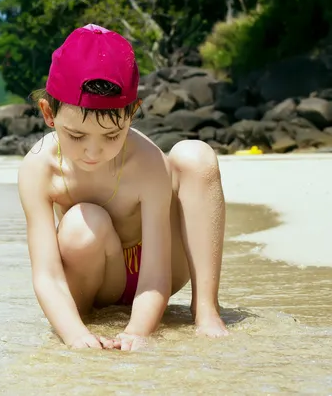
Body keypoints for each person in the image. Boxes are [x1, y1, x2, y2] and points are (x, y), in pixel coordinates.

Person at [17, 24, 229, 352]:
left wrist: (139, 332)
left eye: (112, 135)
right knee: (81, 224)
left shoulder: (146, 163)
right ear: (48, 113)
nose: (93, 151)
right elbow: (47, 276)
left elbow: (156, 274)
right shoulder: (39, 168)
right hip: (95, 275)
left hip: (160, 269)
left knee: (196, 156)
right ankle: (85, 320)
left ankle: (206, 311)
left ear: (132, 113)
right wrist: (74, 335)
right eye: (75, 136)